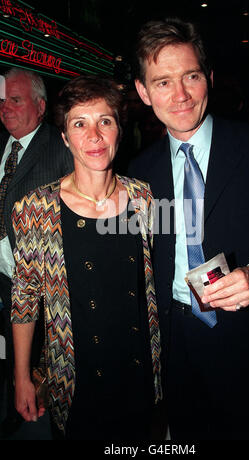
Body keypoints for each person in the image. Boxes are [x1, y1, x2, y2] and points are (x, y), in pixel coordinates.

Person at [128, 17, 249, 440]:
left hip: (243, 334)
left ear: (209, 78)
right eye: (162, 82)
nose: (181, 95)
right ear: (143, 92)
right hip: (171, 339)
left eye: (190, 76)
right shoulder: (138, 172)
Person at [11, 75, 162, 440]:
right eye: (80, 123)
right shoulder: (35, 209)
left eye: (104, 121)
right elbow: (24, 301)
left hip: (140, 369)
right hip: (76, 380)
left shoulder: (144, 197)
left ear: (119, 132)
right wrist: (21, 378)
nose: (94, 136)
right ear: (65, 136)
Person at [0, 67, 73, 437]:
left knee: (30, 372)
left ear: (41, 106)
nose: (5, 108)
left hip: (38, 290)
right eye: (1, 100)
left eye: (15, 99)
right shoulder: (1, 144)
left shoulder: (61, 149)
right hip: (1, 277)